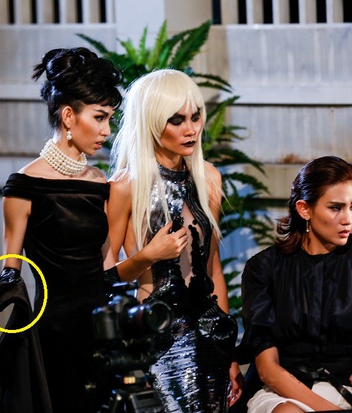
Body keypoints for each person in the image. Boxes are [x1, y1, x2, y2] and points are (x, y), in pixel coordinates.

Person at [0, 48, 185, 413]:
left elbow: (107, 274)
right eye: (99, 117)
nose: (106, 131)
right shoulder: (23, 186)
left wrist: (147, 258)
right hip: (53, 334)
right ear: (68, 116)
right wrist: (8, 282)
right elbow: (10, 267)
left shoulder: (100, 185)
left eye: (109, 118)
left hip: (102, 330)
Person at [107, 68, 243, 412]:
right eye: (177, 120)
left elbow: (213, 268)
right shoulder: (125, 186)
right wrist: (149, 255)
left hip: (211, 333)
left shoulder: (208, 178)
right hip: (158, 336)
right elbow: (104, 279)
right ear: (151, 122)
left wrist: (229, 353)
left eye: (196, 117)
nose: (191, 129)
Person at [237, 156, 352, 412]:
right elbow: (267, 369)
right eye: (335, 208)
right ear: (304, 209)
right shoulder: (264, 269)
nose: (348, 218)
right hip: (284, 391)